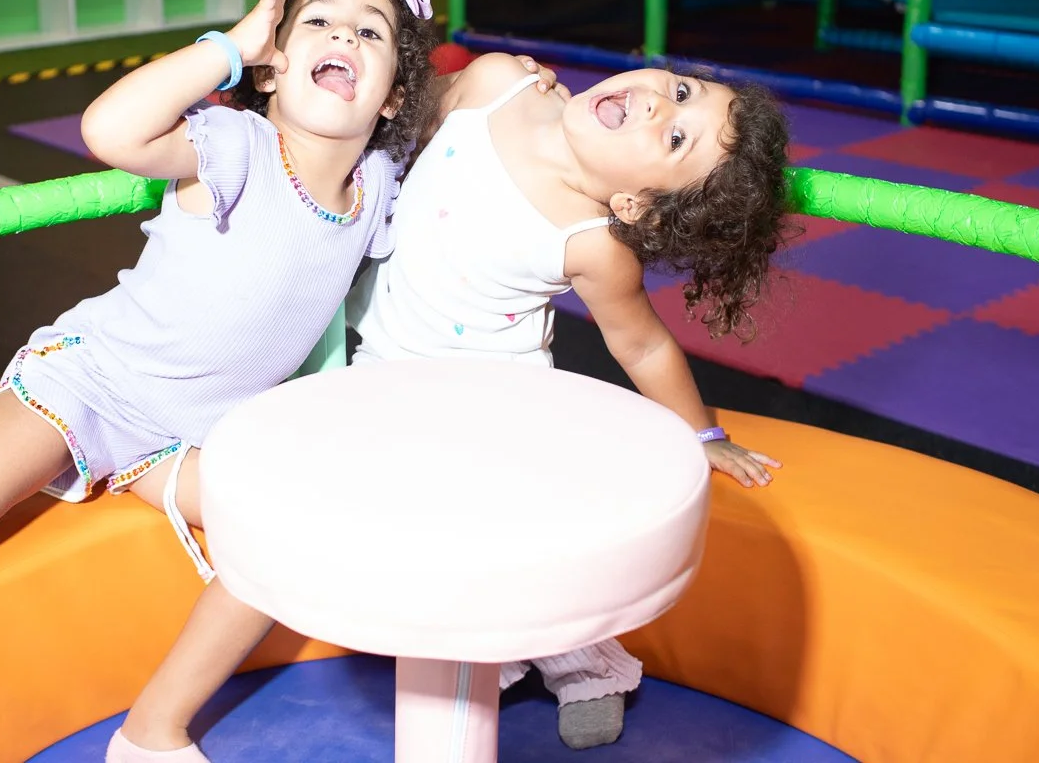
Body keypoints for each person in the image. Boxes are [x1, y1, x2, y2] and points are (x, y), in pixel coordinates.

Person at [113, 52, 795, 760]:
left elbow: (643, 345)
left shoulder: (592, 243)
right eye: (681, 89)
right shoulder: (498, 84)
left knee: (521, 552)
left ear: (636, 206)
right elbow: (390, 122)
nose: (659, 103)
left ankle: (588, 664)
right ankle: (512, 655)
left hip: (490, 414)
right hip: (378, 378)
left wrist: (704, 434)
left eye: (677, 137)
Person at [0, 0, 438, 575]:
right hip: (99, 386)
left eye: (371, 32)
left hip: (202, 433)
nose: (344, 35)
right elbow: (109, 131)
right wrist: (231, 48)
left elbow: (463, 101)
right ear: (271, 68)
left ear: (392, 98)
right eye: (317, 20)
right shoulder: (240, 146)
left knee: (298, 521)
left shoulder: (376, 185)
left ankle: (129, 471)